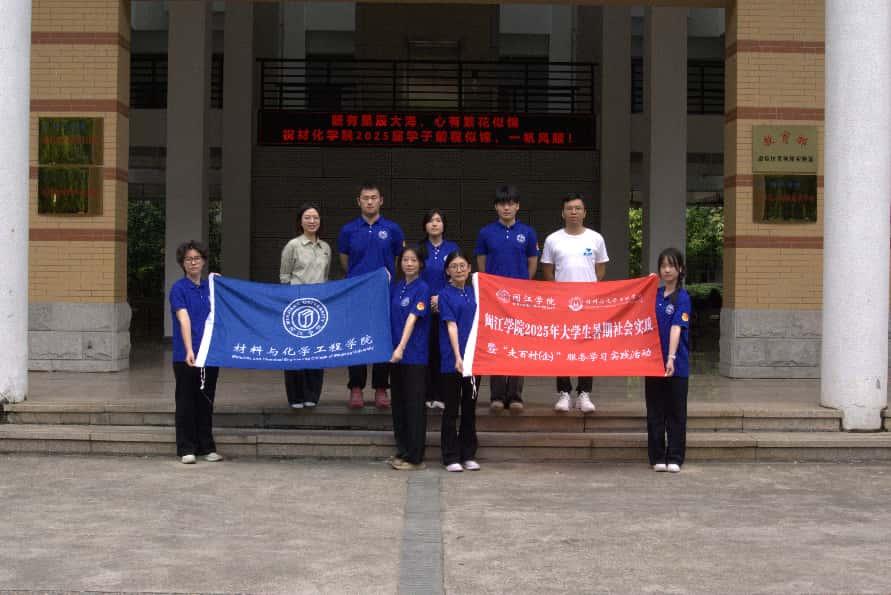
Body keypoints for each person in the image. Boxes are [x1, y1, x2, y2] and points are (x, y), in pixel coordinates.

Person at [337, 182, 405, 409]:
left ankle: (381, 388)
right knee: (356, 340)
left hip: (384, 294)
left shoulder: (393, 229)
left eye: (373, 197)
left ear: (381, 200)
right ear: (358, 201)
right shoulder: (348, 230)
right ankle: (356, 388)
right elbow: (345, 262)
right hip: (357, 295)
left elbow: (398, 260)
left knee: (382, 340)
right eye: (365, 198)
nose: (369, 202)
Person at [540, 193, 609, 413]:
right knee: (562, 346)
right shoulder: (553, 240)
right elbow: (548, 271)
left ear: (584, 212)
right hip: (562, 304)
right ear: (563, 213)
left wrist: (586, 292)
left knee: (587, 347)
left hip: (588, 304)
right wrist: (562, 295)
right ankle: (564, 392)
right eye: (569, 208)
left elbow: (600, 270)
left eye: (578, 208)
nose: (573, 212)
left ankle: (584, 393)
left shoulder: (596, 239)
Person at [474, 184, 538, 412]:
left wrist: (521, 286)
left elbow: (532, 263)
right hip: (495, 299)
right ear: (496, 207)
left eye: (511, 203)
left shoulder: (528, 232)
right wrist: (491, 288)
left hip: (519, 298)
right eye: (502, 204)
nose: (506, 208)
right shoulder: (486, 233)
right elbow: (482, 263)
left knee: (518, 344)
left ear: (517, 206)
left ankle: (516, 395)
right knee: (497, 344)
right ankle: (497, 396)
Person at [169, 240, 222, 465]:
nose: (193, 262)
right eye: (188, 259)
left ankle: (206, 447)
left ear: (203, 261)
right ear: (182, 263)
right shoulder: (179, 289)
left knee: (205, 401)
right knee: (186, 401)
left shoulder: (211, 288)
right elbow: (184, 319)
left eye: (197, 258)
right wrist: (190, 349)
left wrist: (220, 284)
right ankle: (186, 448)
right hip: (186, 355)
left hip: (210, 353)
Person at [280, 203, 331, 409]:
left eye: (315, 217)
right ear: (300, 222)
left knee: (316, 350)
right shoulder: (293, 246)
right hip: (296, 304)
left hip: (318, 306)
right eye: (307, 217)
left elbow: (325, 277)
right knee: (295, 351)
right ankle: (295, 396)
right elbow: (284, 277)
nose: (312, 221)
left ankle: (312, 394)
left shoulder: (325, 248)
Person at [646, 247, 692, 474]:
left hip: (677, 365)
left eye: (671, 266)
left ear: (680, 269)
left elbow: (676, 327)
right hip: (652, 363)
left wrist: (671, 358)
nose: (667, 270)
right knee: (655, 412)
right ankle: (657, 456)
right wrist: (644, 285)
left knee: (675, 412)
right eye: (663, 266)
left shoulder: (682, 297)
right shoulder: (654, 295)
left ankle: (674, 456)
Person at [387, 246, 431, 471]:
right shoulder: (397, 287)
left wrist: (401, 347)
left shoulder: (422, 288)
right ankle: (402, 450)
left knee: (414, 406)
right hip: (395, 356)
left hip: (413, 355)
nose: (409, 264)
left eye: (414, 260)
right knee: (399, 405)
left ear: (420, 264)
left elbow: (412, 319)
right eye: (405, 260)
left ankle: (415, 457)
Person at [438, 251, 480, 472]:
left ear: (469, 268)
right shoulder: (444, 295)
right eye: (454, 266)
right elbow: (451, 325)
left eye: (462, 265)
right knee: (451, 409)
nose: (459, 270)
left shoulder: (476, 293)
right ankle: (450, 456)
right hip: (452, 361)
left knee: (469, 407)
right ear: (448, 271)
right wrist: (457, 357)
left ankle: (468, 454)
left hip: (474, 360)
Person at [418, 208, 459, 410]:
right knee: (427, 351)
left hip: (446, 306)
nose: (434, 224)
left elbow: (457, 275)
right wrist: (427, 299)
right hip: (423, 308)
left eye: (438, 220)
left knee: (444, 350)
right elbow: (414, 277)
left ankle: (442, 395)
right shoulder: (419, 249)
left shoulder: (452, 248)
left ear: (444, 225)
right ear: (425, 225)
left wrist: (441, 298)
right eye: (431, 220)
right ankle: (428, 394)